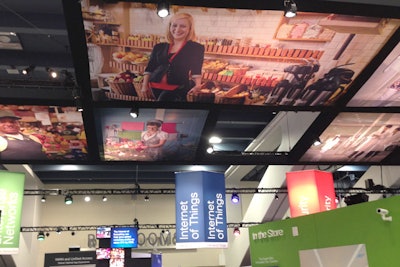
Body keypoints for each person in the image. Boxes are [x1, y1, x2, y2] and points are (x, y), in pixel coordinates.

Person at [141, 13, 205, 102]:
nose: (177, 29)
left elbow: (196, 70)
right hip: (154, 87)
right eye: (174, 25)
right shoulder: (159, 46)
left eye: (183, 26)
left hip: (178, 88)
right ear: (169, 27)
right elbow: (150, 67)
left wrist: (197, 85)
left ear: (190, 29)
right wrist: (144, 86)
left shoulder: (196, 48)